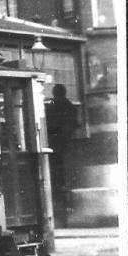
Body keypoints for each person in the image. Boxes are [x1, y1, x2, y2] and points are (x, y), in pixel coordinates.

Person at [45, 84, 76, 224]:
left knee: (55, 179)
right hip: (67, 146)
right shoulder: (70, 106)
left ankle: (59, 217)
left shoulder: (51, 104)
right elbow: (74, 124)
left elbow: (47, 120)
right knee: (65, 179)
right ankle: (68, 216)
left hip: (53, 145)